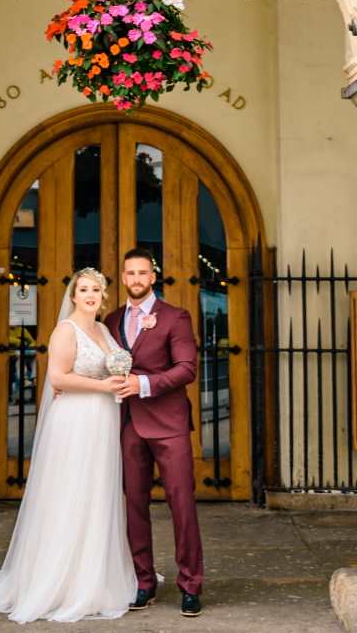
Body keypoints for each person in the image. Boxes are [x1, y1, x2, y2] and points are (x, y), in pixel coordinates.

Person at [0, 268, 137, 622]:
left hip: (102, 420)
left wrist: (120, 379)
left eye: (96, 289)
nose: (90, 295)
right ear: (73, 295)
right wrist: (105, 387)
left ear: (104, 296)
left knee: (97, 493)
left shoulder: (102, 329)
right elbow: (58, 378)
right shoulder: (65, 331)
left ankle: (97, 576)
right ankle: (63, 581)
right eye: (83, 289)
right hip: (75, 421)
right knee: (71, 491)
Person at [102, 248, 203, 617]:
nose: (136, 279)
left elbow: (186, 369)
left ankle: (191, 584)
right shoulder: (111, 320)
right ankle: (143, 582)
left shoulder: (175, 317)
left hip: (169, 425)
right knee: (133, 505)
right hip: (128, 424)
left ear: (153, 277)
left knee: (181, 504)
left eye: (143, 273)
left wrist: (142, 383)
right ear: (124, 278)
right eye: (130, 273)